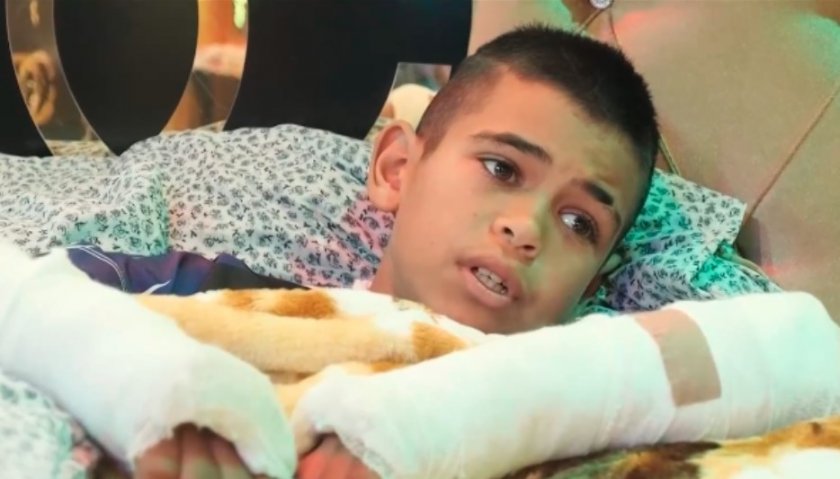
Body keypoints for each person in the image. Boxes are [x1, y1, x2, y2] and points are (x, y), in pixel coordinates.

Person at [82, 24, 659, 479]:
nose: (527, 228)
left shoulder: (584, 423)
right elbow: (40, 300)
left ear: (590, 286)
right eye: (501, 168)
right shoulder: (222, 300)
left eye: (579, 222)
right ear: (397, 168)